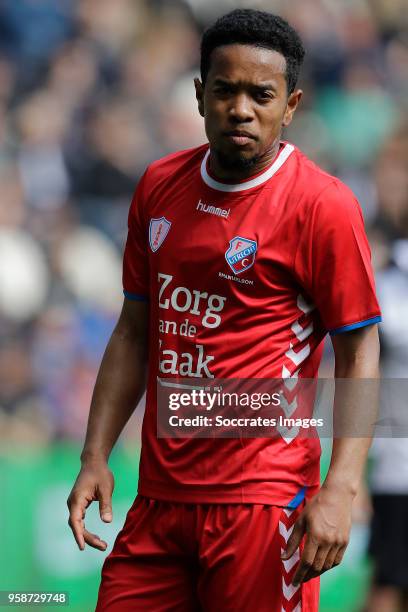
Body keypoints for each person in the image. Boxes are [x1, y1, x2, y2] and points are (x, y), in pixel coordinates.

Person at [67, 9, 381, 611]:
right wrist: (94, 455)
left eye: (261, 95)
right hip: (158, 502)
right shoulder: (159, 185)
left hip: (262, 502)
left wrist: (341, 486)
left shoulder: (324, 206)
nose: (241, 109)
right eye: (225, 90)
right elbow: (134, 332)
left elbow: (360, 350)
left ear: (290, 106)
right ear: (198, 93)